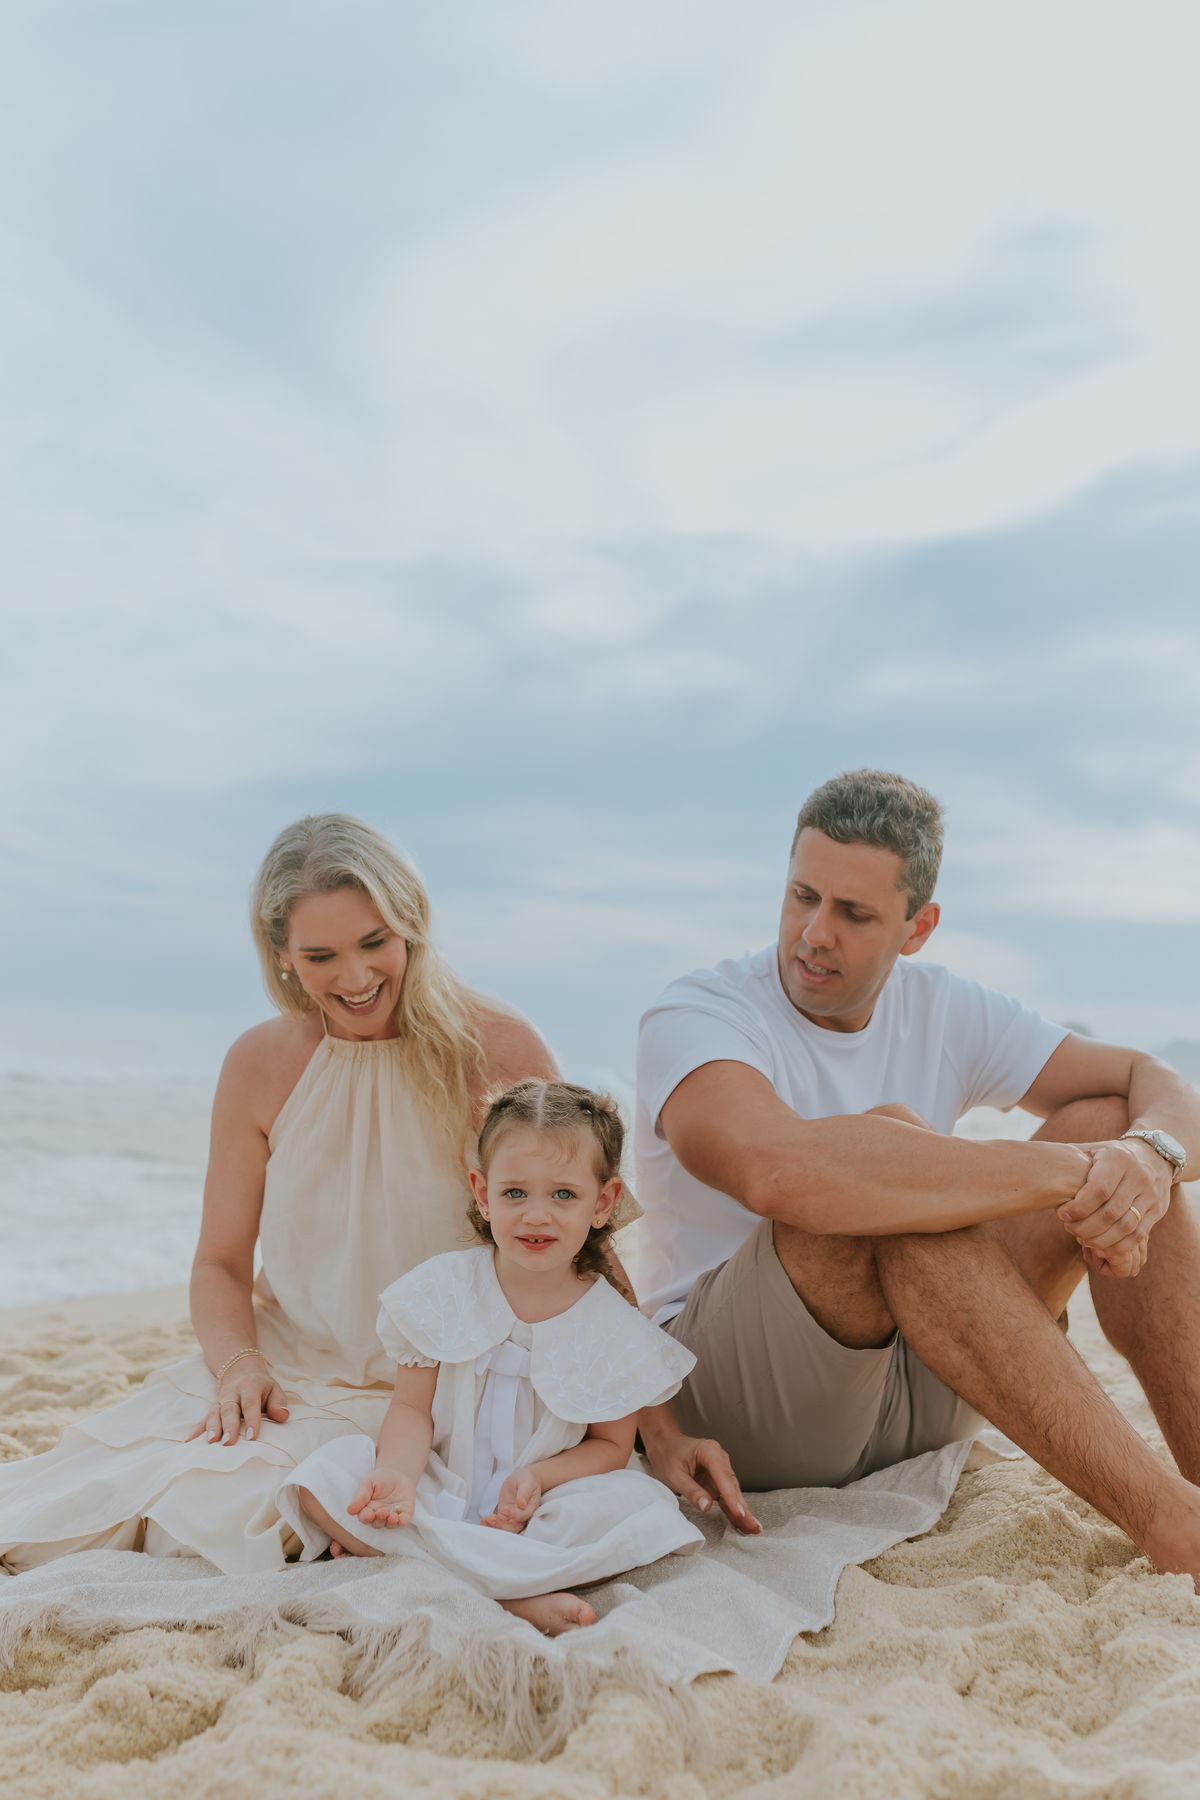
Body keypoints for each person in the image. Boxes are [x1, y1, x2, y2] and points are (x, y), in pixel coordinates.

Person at [0, 814, 609, 1576]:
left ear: (412, 926)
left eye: (374, 943)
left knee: (225, 1519)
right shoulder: (257, 1064)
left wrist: (655, 1420)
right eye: (321, 955)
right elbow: (220, 1263)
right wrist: (238, 1367)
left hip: (438, 1392)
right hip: (288, 1367)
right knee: (81, 1507)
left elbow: (587, 1243)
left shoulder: (497, 1048)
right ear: (281, 954)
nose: (354, 979)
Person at [633, 769, 1200, 1581]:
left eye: (854, 914)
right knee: (886, 1159)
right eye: (802, 896)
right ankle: (1170, 1521)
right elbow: (776, 1174)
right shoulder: (700, 1014)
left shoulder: (945, 1007)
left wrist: (1144, 1159)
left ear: (917, 928)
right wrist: (1074, 1172)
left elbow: (1159, 1081)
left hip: (930, 1367)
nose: (813, 933)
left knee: (1116, 1119)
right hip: (741, 1403)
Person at [281, 1080, 700, 1636]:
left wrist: (539, 1477)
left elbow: (611, 1446)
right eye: (515, 1193)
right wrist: (398, 1474)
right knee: (319, 1482)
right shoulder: (442, 1290)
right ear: (483, 1192)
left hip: (542, 1507)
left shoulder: (615, 1329)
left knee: (641, 1508)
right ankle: (513, 1597)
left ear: (604, 1202)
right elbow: (411, 1410)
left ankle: (442, 1569)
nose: (537, 1216)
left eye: (564, 1195)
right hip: (437, 1485)